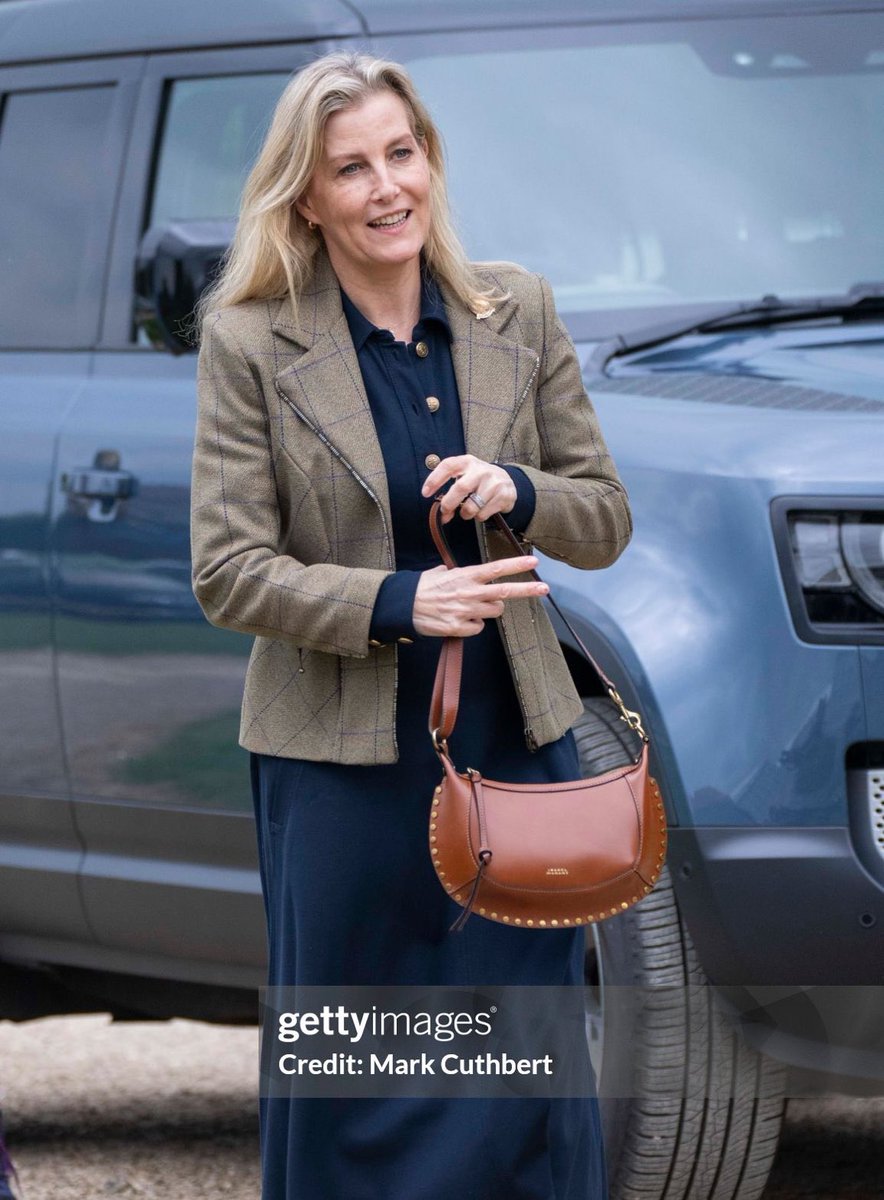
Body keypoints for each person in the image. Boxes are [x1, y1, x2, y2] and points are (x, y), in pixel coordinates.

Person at [189, 50, 632, 1200]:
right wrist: (399, 601)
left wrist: (518, 491)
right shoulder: (250, 342)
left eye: (402, 153)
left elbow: (604, 516)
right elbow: (228, 571)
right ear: (306, 196)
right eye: (352, 168)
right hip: (340, 769)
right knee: (354, 1073)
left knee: (523, 1066)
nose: (387, 187)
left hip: (513, 753)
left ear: (429, 161)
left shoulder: (514, 307)